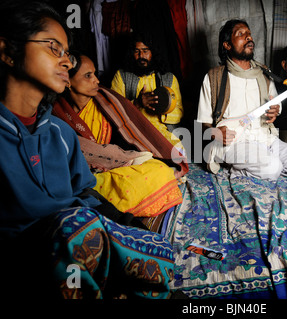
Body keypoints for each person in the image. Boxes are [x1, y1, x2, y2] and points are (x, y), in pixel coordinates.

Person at [0, 1, 174, 299]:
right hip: (30, 258)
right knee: (76, 227)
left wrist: (132, 229)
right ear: (7, 51)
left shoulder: (60, 135)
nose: (67, 62)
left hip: (77, 251)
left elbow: (87, 196)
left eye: (66, 53)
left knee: (151, 245)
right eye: (53, 47)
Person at [53, 53, 186, 218]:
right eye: (88, 76)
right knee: (91, 188)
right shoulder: (57, 113)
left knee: (159, 170)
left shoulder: (107, 101)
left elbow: (129, 133)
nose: (96, 80)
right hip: (87, 175)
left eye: (95, 74)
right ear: (68, 81)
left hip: (119, 166)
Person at [197, 19, 287, 180]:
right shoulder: (214, 77)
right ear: (227, 45)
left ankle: (258, 168)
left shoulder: (264, 73)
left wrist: (275, 112)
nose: (249, 37)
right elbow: (202, 122)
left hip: (265, 137)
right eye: (241, 34)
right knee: (273, 167)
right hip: (233, 143)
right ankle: (246, 170)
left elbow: (275, 105)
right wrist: (215, 133)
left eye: (249, 34)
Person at [111, 32, 184, 150]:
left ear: (153, 53)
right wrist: (137, 104)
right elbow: (113, 111)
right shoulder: (121, 76)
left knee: (178, 157)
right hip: (133, 133)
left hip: (163, 133)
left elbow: (179, 111)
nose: (141, 56)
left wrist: (163, 109)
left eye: (145, 51)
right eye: (137, 51)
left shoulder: (169, 78)